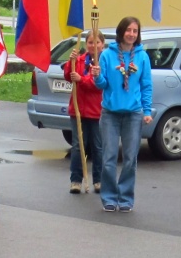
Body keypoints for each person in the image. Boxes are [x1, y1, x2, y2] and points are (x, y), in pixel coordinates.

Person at [93, 16, 153, 212]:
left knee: (130, 159)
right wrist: (97, 76)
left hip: (133, 114)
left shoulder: (142, 57)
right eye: (128, 30)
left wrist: (147, 110)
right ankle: (109, 197)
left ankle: (126, 198)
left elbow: (146, 85)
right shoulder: (106, 55)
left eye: (135, 31)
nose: (131, 34)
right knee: (109, 158)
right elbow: (102, 84)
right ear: (121, 31)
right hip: (110, 113)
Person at [65, 28, 106, 194]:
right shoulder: (81, 59)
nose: (93, 45)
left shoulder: (104, 62)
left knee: (97, 147)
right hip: (78, 110)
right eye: (90, 42)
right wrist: (70, 62)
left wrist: (81, 80)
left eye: (96, 42)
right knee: (78, 146)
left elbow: (98, 85)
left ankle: (99, 180)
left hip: (96, 111)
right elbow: (68, 76)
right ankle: (75, 180)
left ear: (102, 44)